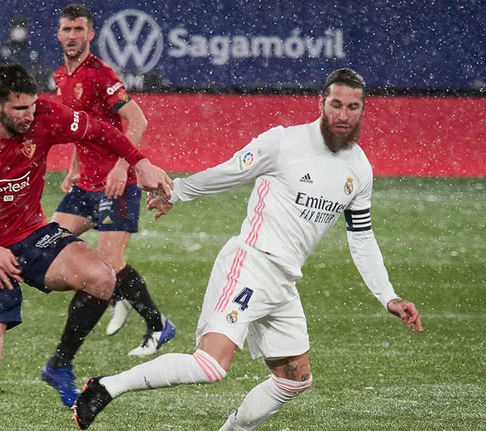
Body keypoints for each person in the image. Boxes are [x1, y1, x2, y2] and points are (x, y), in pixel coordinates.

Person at [72, 68, 424, 430]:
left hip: (284, 283)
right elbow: (229, 172)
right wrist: (177, 192)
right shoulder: (283, 143)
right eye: (336, 104)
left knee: (294, 380)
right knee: (210, 366)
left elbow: (362, 236)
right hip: (251, 264)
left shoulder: (360, 170)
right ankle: (107, 386)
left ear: (363, 110)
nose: (343, 115)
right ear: (321, 103)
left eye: (353, 107)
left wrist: (388, 296)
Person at [0, 64, 171, 431]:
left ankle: (59, 364)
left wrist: (139, 162)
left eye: (31, 105)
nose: (29, 115)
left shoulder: (46, 116)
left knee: (102, 278)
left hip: (32, 234)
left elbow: (99, 130)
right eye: (18, 109)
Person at [50, 3, 175, 358]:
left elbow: (137, 121)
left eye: (79, 30)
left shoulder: (102, 75)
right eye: (66, 29)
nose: (72, 36)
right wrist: (74, 166)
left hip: (115, 184)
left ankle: (157, 325)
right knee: (48, 242)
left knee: (110, 264)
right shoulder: (62, 76)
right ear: (58, 34)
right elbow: (81, 125)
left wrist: (123, 166)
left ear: (90, 34)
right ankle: (117, 293)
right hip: (85, 184)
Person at [0, 15, 52, 91]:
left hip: (28, 89)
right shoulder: (1, 49)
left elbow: (40, 70)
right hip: (6, 89)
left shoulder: (33, 49)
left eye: (21, 28)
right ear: (11, 30)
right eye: (16, 27)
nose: (19, 30)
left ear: (26, 30)